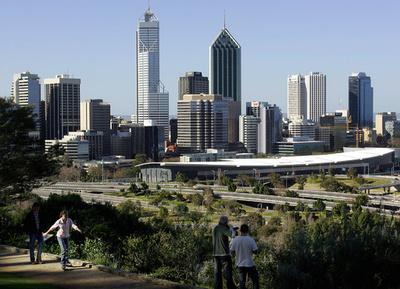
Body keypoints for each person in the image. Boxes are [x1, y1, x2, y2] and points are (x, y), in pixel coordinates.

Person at [230, 224, 259, 289]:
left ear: (240, 230)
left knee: (242, 283)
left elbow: (231, 251)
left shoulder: (235, 240)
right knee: (255, 281)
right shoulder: (251, 240)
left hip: (240, 264)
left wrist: (236, 254)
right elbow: (255, 252)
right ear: (247, 231)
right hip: (249, 263)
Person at [213, 215, 236, 289]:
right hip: (224, 253)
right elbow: (232, 235)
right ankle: (230, 287)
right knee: (228, 272)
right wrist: (231, 229)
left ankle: (217, 287)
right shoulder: (223, 229)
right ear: (225, 223)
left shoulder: (215, 228)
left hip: (216, 254)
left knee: (217, 272)